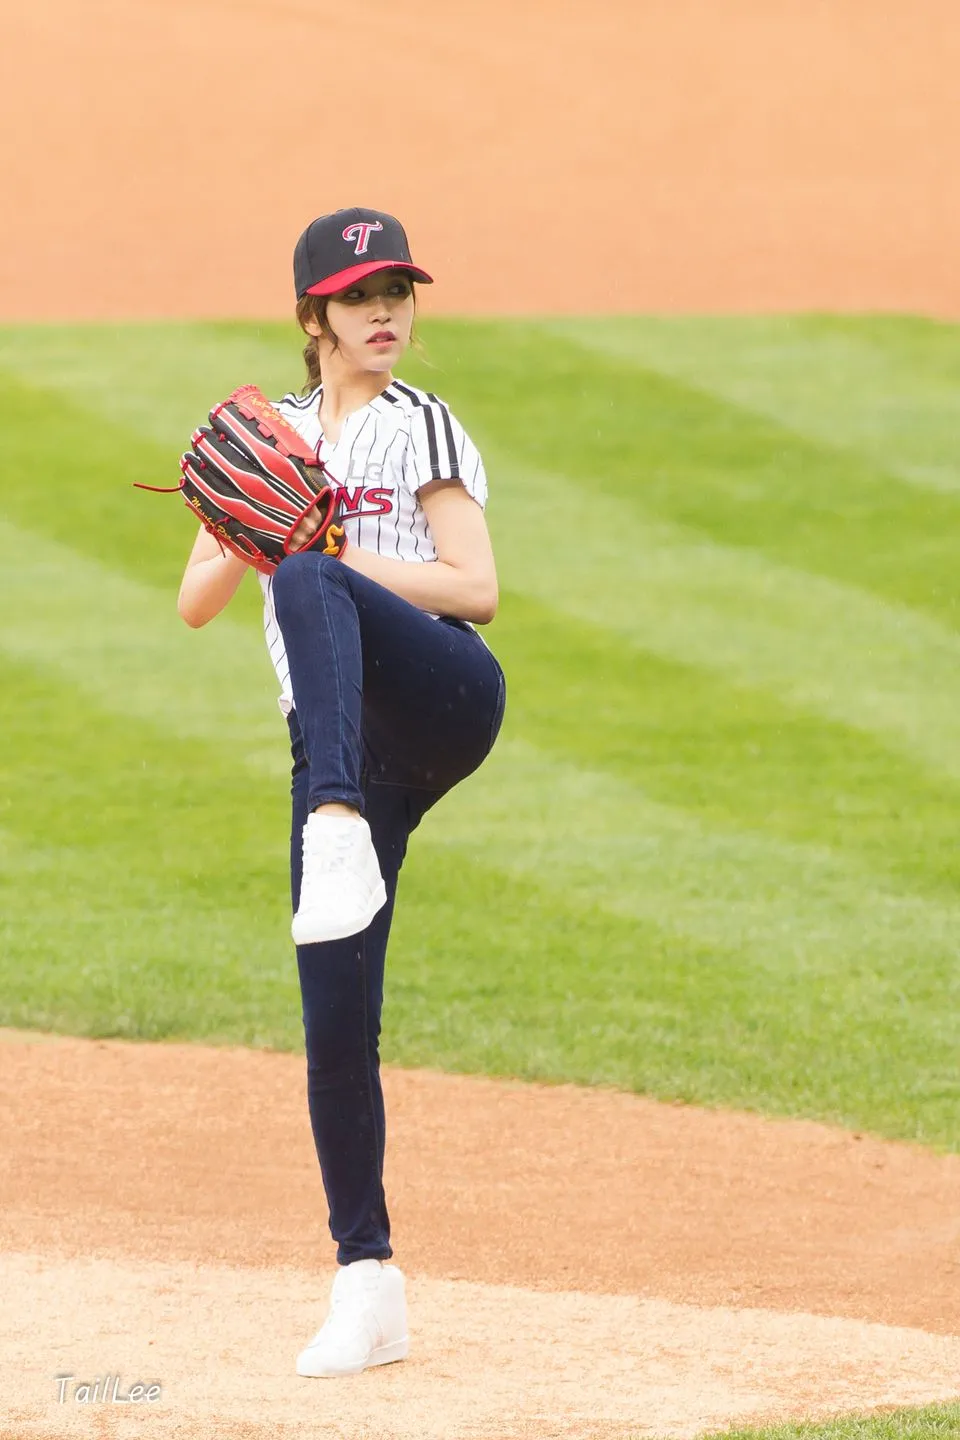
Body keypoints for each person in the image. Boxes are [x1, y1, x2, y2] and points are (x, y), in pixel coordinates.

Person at [176, 207, 506, 1378]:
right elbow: (196, 604)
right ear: (314, 313)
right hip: (344, 752)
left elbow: (475, 588)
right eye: (363, 296)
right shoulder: (273, 431)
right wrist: (243, 519)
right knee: (334, 1029)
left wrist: (323, 544)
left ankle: (332, 819)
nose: (387, 314)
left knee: (314, 573)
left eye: (400, 293)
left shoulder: (425, 427)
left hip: (444, 699)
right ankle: (368, 1284)